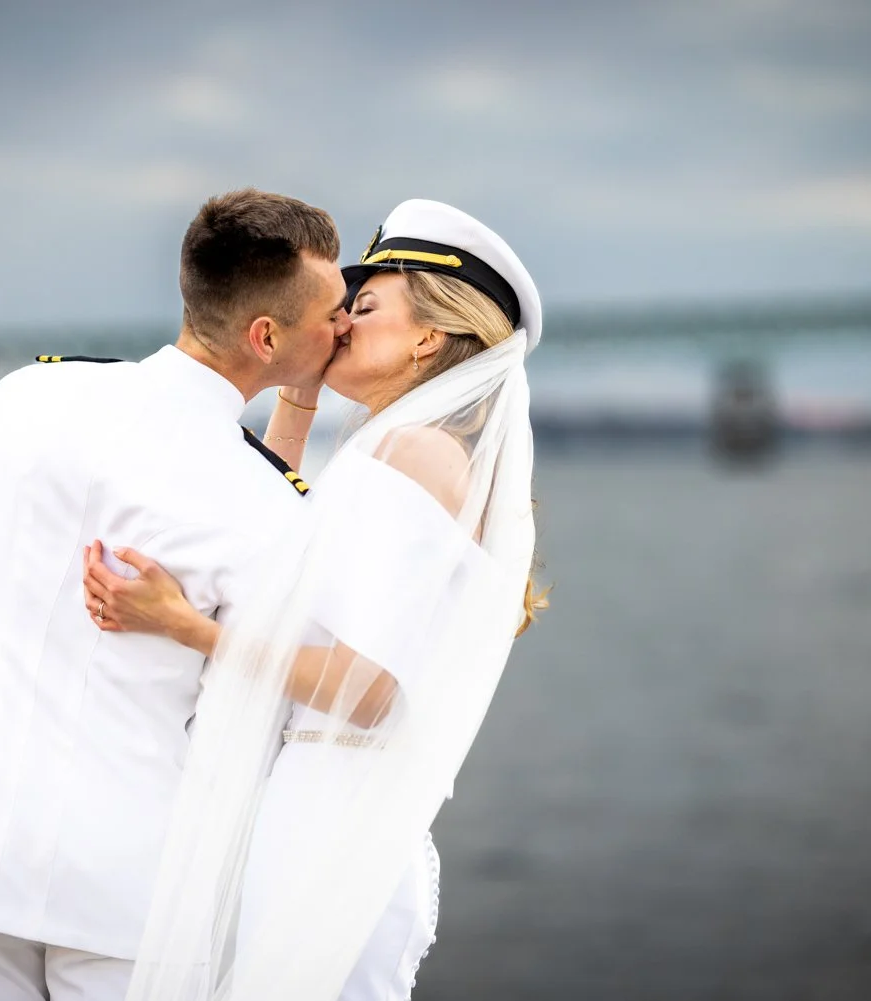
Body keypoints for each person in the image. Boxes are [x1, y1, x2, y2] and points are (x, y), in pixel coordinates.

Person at [0, 188, 351, 1001]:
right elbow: (246, 717)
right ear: (266, 336)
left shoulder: (27, 396)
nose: (343, 327)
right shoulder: (266, 503)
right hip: (132, 888)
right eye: (332, 313)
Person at [81, 199, 547, 1001]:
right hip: (326, 813)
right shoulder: (400, 450)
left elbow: (368, 689)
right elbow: (273, 537)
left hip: (328, 826)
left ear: (427, 338)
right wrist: (299, 396)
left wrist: (185, 626)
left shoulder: (411, 452)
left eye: (364, 307)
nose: (339, 322)